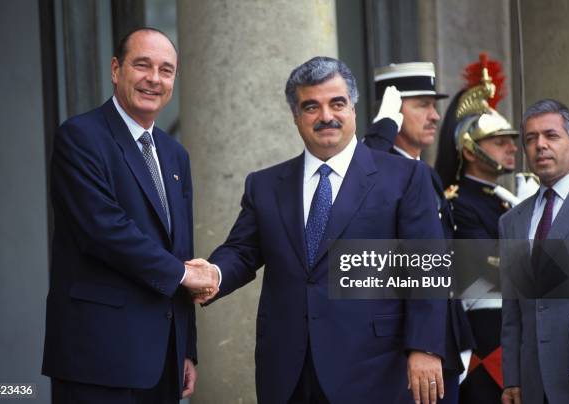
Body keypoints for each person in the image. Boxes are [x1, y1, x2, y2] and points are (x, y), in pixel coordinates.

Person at [187, 56, 447, 404]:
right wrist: (215, 273)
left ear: (353, 108)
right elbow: (242, 250)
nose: (326, 116)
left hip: (374, 367)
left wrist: (425, 347)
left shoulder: (404, 177)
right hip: (288, 370)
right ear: (296, 117)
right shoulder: (265, 185)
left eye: (337, 103)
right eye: (311, 106)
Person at [42, 27, 218, 404]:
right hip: (98, 358)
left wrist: (186, 348)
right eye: (143, 65)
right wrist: (186, 275)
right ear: (115, 69)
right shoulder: (81, 137)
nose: (154, 79)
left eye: (166, 70)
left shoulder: (175, 155)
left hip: (163, 359)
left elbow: (180, 247)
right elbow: (103, 230)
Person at [363, 62, 475, 404]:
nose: (435, 116)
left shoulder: (424, 174)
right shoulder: (376, 168)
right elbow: (358, 178)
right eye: (422, 105)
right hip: (400, 352)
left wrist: (458, 338)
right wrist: (380, 131)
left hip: (440, 348)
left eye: (434, 105)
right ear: (394, 112)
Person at [435, 54, 519, 403]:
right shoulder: (456, 203)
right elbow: (488, 270)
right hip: (488, 339)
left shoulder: (509, 198)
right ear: (470, 149)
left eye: (512, 139)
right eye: (500, 141)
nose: (513, 148)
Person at [500, 99, 569, 404]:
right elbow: (512, 311)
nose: (540, 145)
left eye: (551, 136)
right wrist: (513, 378)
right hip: (534, 384)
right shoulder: (512, 222)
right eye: (531, 139)